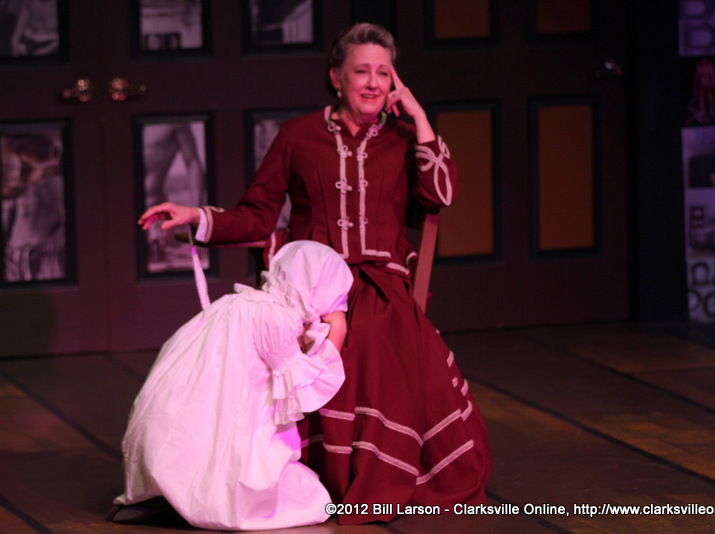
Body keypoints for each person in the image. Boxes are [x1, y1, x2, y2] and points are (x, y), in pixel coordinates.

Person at [138, 22, 491, 525]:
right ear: (336, 77)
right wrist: (197, 216)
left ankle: (371, 478)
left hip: (381, 281)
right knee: (299, 338)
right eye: (361, 71)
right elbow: (258, 215)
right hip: (311, 285)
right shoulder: (298, 136)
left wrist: (418, 117)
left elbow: (440, 195)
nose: (373, 83)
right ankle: (290, 476)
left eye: (384, 73)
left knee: (374, 333)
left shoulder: (402, 138)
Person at [109, 240, 353, 530]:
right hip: (229, 414)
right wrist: (338, 330)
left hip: (187, 405)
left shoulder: (238, 300)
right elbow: (302, 388)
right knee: (300, 494)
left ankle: (165, 495)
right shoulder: (278, 318)